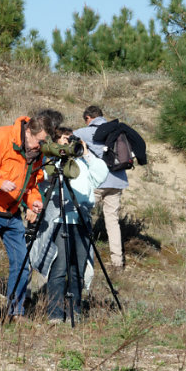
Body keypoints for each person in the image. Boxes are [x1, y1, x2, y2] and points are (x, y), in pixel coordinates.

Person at [0, 111, 52, 323]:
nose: (39, 146)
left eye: (43, 143)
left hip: (12, 211)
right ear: (28, 131)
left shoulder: (37, 153)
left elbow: (31, 185)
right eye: (38, 141)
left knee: (22, 264)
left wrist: (34, 200)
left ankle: (16, 312)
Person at [30, 127, 109, 323]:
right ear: (56, 142)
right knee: (59, 268)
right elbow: (43, 179)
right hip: (60, 219)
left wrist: (86, 152)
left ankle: (75, 311)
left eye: (71, 139)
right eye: (65, 139)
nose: (69, 142)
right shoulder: (52, 163)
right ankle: (55, 314)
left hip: (81, 219)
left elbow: (102, 173)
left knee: (78, 268)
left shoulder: (83, 164)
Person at [74, 106, 126, 270]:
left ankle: (79, 255)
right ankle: (117, 261)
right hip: (117, 181)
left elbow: (66, 139)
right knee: (112, 221)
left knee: (82, 216)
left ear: (88, 118)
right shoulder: (117, 131)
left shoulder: (85, 132)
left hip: (97, 182)